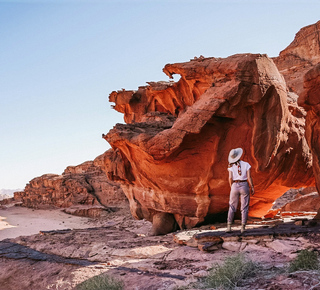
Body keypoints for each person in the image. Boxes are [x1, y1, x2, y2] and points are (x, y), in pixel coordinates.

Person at [226, 148, 254, 233]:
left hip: (235, 185)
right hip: (244, 185)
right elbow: (249, 177)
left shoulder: (230, 166)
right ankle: (243, 227)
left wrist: (232, 186)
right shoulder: (246, 164)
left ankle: (229, 227)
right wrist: (252, 186)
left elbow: (230, 178)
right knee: (244, 207)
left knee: (232, 206)